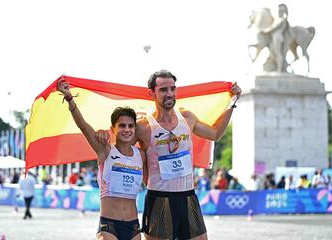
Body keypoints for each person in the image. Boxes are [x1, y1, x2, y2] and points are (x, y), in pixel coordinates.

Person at [97, 69, 241, 239]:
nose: (170, 94)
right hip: (159, 199)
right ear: (152, 93)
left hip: (188, 197)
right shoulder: (143, 126)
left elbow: (215, 133)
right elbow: (120, 149)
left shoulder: (187, 118)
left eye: (173, 89)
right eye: (164, 90)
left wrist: (231, 103)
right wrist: (102, 134)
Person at [57, 76, 147, 240]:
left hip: (133, 225)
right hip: (109, 226)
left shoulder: (141, 155)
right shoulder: (104, 150)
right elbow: (83, 126)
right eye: (122, 126)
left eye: (131, 126)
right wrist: (70, 99)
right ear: (113, 129)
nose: (127, 129)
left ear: (135, 128)